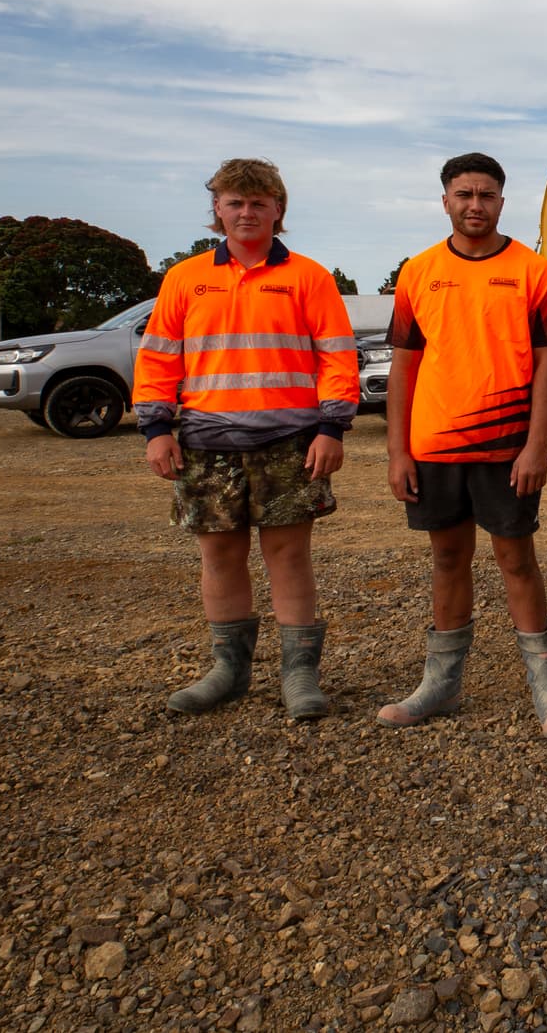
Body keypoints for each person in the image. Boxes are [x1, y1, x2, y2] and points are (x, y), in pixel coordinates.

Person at [136, 158, 359, 721]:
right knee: (219, 556)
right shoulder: (185, 278)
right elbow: (159, 357)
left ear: (279, 210)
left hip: (290, 441)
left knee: (288, 556)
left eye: (259, 202)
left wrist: (332, 427)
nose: (246, 212)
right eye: (235, 202)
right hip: (206, 442)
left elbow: (337, 356)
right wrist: (157, 429)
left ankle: (299, 675)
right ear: (217, 209)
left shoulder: (309, 277)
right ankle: (228, 671)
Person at [375, 153, 547, 739]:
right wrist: (397, 452)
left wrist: (536, 446)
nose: (474, 205)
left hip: (506, 446)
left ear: (501, 203)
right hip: (433, 446)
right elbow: (404, 369)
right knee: (446, 559)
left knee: (516, 559)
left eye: (486, 195)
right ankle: (441, 683)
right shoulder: (418, 271)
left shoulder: (531, 271)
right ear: (445, 200)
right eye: (463, 194)